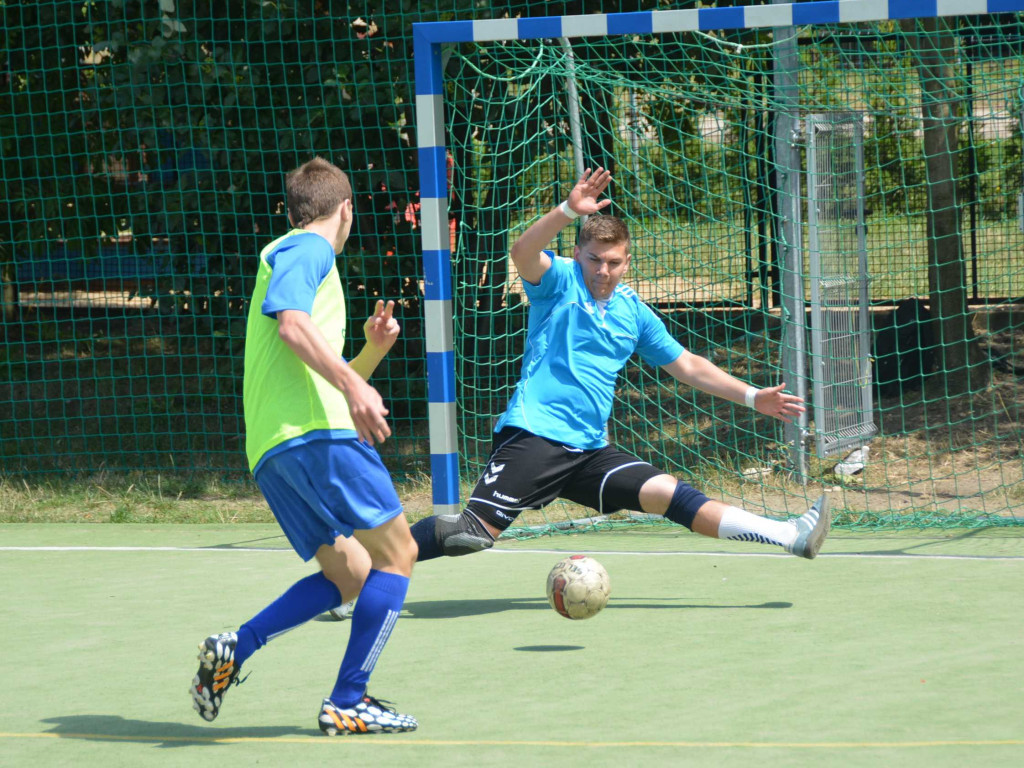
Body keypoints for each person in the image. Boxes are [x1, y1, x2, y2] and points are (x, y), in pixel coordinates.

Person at [410, 167, 830, 563]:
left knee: (671, 494)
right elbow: (522, 250)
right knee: (469, 534)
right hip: (537, 435)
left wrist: (753, 396)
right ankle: (353, 570)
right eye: (594, 259)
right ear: (578, 254)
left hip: (588, 451)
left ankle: (789, 535)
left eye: (612, 262)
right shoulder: (559, 281)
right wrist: (569, 210)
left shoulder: (633, 312)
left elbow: (686, 364)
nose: (602, 270)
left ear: (627, 262)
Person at [189, 157, 418, 735]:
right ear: (346, 209)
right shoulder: (310, 249)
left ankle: (236, 647)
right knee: (398, 555)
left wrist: (366, 359)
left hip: (274, 448)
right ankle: (348, 699)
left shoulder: (292, 255)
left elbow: (308, 360)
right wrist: (355, 388)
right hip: (318, 436)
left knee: (352, 572)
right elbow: (292, 326)